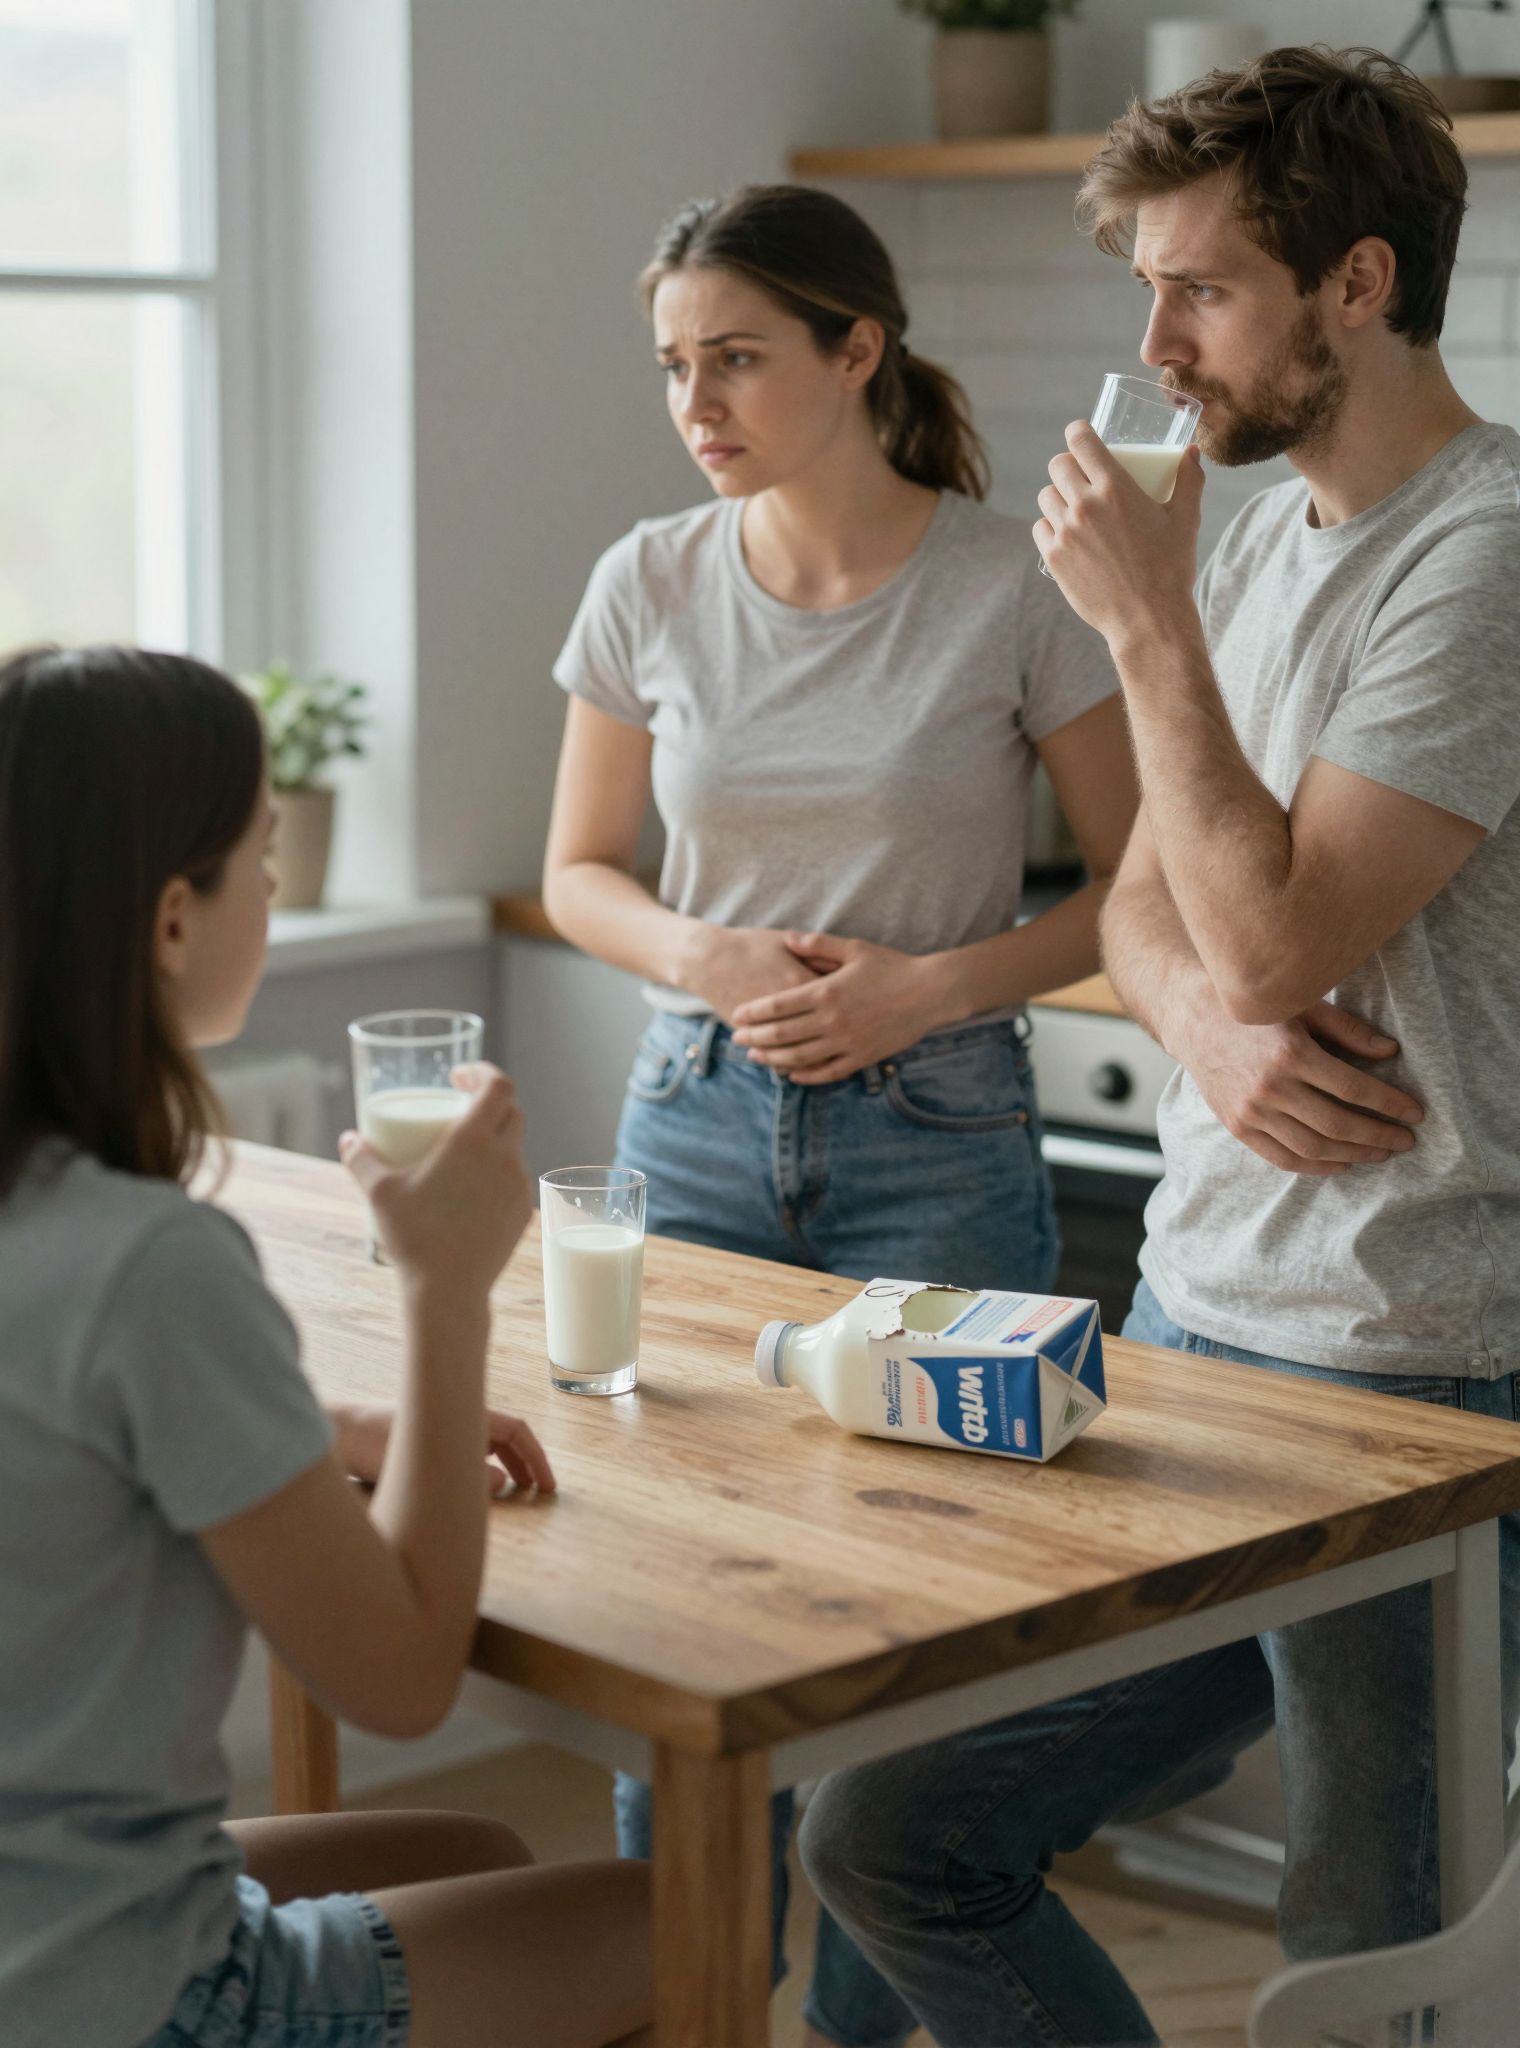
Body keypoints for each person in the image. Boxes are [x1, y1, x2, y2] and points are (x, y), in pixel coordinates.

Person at [799, 46, 1520, 2047]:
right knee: (891, 1828)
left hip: (1422, 1374)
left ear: (1355, 287)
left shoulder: (1486, 552)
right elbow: (1148, 894)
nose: (1158, 340)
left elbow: (1281, 919)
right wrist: (1201, 1030)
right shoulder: (1256, 534)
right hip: (1201, 1332)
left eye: (1199, 287)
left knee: (1371, 1958)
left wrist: (1141, 635)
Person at [542, 182, 1137, 2048]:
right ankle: (696, 2004)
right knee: (683, 1624)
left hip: (941, 1140)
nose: (694, 401)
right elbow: (575, 873)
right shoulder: (648, 575)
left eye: (734, 357)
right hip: (695, 1123)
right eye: (672, 367)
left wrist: (929, 987)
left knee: (923, 1644)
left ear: (855, 348)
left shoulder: (1010, 584)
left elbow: (1142, 891)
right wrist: (705, 956)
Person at [0, 645, 652, 2048]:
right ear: (173, 919)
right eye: (265, 859)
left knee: (474, 1855)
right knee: (666, 1921)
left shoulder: (48, 1217)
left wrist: (315, 1438)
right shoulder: (152, 1264)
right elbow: (402, 1682)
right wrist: (447, 1292)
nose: (277, 895)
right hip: (116, 2000)